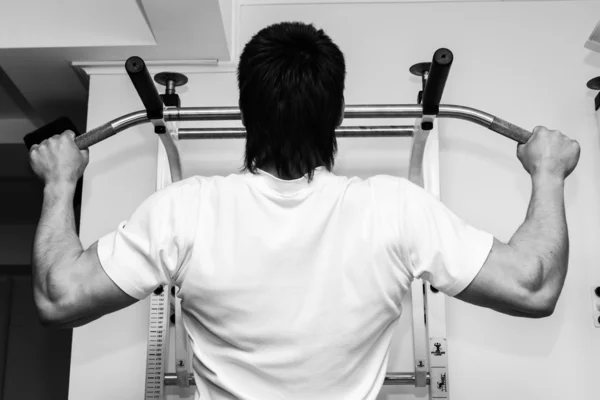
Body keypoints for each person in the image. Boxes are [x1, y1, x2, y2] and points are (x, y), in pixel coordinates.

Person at [28, 21, 580, 400]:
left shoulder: (185, 211)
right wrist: (548, 173)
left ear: (246, 112)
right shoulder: (393, 210)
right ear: (337, 114)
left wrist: (59, 182)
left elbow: (60, 296)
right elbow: (532, 287)